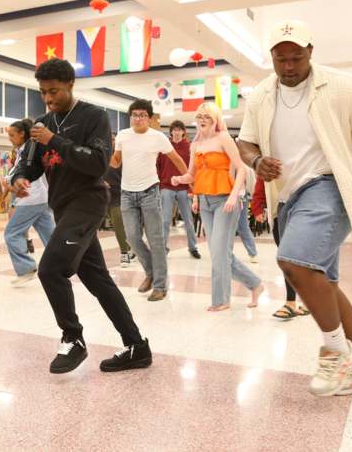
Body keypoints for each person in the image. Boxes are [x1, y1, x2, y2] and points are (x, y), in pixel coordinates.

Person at [237, 19, 352, 397]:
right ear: (271, 58)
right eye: (281, 60)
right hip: (288, 197)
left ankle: (335, 354)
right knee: (324, 283)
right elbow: (245, 142)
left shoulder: (343, 86)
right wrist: (257, 163)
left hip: (331, 185)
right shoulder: (261, 94)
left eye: (297, 58)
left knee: (295, 263)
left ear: (310, 52)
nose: (289, 67)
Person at [11, 58, 151, 374]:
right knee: (97, 279)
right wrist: (19, 178)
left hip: (88, 202)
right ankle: (137, 346)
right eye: (43, 93)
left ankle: (73, 338)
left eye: (54, 92)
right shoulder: (42, 123)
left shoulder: (93, 117)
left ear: (71, 85)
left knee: (50, 269)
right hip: (62, 207)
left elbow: (98, 164)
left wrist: (54, 139)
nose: (48, 99)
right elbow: (30, 164)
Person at [172, 102, 263, 311]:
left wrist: (234, 195)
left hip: (225, 201)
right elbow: (192, 175)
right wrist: (180, 180)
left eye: (207, 117)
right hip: (205, 201)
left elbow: (241, 169)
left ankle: (221, 300)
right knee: (218, 252)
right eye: (200, 116)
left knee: (220, 253)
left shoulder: (223, 139)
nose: (202, 120)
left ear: (215, 120)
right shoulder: (195, 144)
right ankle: (255, 284)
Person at [112, 99, 188, 302]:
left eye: (142, 115)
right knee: (132, 238)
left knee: (156, 240)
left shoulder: (158, 137)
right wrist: (104, 154)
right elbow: (116, 161)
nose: (138, 118)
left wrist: (190, 180)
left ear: (149, 118)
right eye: (135, 115)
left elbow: (176, 159)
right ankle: (151, 272)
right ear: (130, 117)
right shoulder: (122, 135)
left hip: (150, 192)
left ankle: (160, 285)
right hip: (127, 193)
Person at [3, 118, 55, 287]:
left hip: (31, 198)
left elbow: (25, 172)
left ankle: (26, 268)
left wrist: (10, 181)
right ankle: (61, 263)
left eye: (12, 135)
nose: (10, 138)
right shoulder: (22, 150)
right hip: (40, 198)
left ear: (22, 134)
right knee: (50, 235)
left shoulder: (29, 149)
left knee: (12, 233)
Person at [250, 177, 309, 320]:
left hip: (304, 209)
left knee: (302, 257)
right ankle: (292, 302)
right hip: (279, 210)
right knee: (286, 257)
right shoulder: (274, 155)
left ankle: (299, 301)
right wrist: (257, 205)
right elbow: (262, 178)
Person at [156, 120, 200, 259]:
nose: (176, 132)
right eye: (174, 130)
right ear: (171, 132)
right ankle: (162, 248)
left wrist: (193, 188)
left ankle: (193, 248)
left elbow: (194, 168)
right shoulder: (164, 147)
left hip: (184, 188)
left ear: (183, 132)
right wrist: (159, 185)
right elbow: (158, 166)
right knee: (165, 220)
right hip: (166, 187)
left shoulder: (189, 147)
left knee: (188, 220)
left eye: (179, 130)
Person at [104, 132, 133, 267]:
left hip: (119, 195)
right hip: (100, 196)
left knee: (118, 224)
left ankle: (124, 253)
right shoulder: (99, 155)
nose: (111, 142)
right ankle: (133, 248)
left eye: (113, 139)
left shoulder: (122, 157)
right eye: (108, 139)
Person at [235, 162, 259, 263]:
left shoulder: (243, 164)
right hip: (225, 196)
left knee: (242, 225)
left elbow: (251, 183)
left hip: (241, 197)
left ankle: (253, 253)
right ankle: (224, 253)